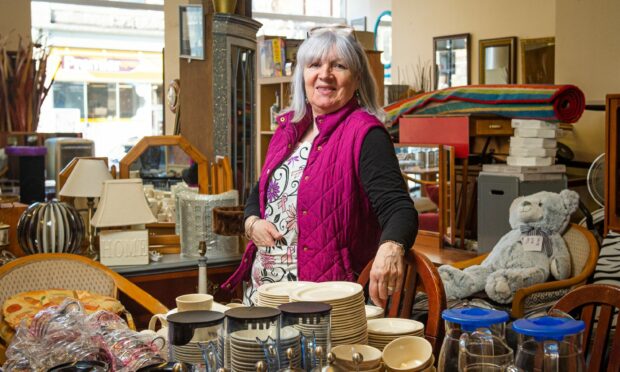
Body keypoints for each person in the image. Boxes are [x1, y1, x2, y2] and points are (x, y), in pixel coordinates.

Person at [222, 25, 418, 307]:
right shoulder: (288, 130)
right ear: (303, 75)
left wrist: (390, 248)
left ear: (357, 77)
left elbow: (398, 208)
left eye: (338, 66)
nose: (324, 74)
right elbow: (261, 191)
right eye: (314, 65)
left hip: (322, 303)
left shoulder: (365, 134)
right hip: (263, 295)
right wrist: (252, 223)